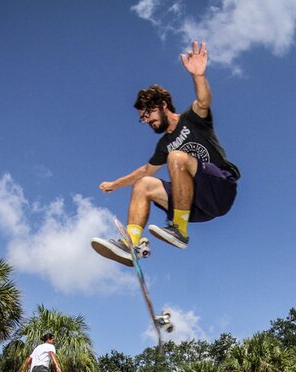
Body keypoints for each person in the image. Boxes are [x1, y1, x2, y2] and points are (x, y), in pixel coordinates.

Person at [91, 41, 240, 266]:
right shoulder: (163, 144)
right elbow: (144, 171)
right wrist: (115, 184)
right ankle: (131, 245)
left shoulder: (192, 119)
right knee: (143, 184)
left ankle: (179, 229)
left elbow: (203, 101)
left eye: (148, 114)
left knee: (176, 157)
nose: (146, 121)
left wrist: (199, 76)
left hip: (220, 189)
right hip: (197, 205)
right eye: (142, 118)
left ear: (162, 105)